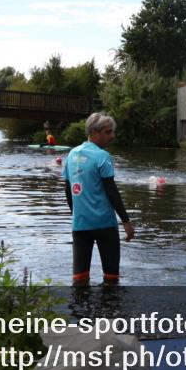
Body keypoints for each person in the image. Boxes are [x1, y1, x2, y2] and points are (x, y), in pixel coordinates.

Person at [62, 113, 135, 285]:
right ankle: (109, 309)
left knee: (79, 279)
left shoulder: (71, 155)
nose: (112, 136)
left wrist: (76, 214)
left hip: (80, 225)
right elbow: (112, 192)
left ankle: (79, 311)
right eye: (108, 132)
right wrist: (126, 221)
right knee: (111, 279)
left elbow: (67, 190)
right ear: (95, 132)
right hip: (105, 225)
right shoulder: (102, 156)